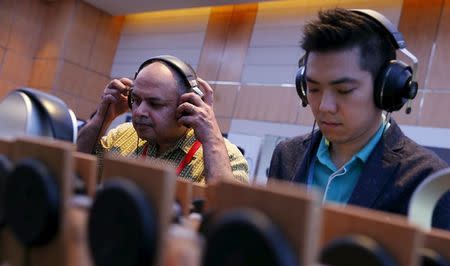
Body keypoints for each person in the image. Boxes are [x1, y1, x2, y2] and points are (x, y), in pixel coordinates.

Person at [268, 8, 450, 230]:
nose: (324, 106)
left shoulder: (427, 182)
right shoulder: (286, 155)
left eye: (344, 90)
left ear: (386, 88)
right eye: (313, 88)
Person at [77, 56, 248, 184]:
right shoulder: (122, 135)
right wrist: (102, 117)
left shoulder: (227, 156)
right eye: (135, 100)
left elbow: (227, 214)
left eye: (155, 103)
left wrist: (212, 139)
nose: (139, 112)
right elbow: (75, 169)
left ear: (187, 104)